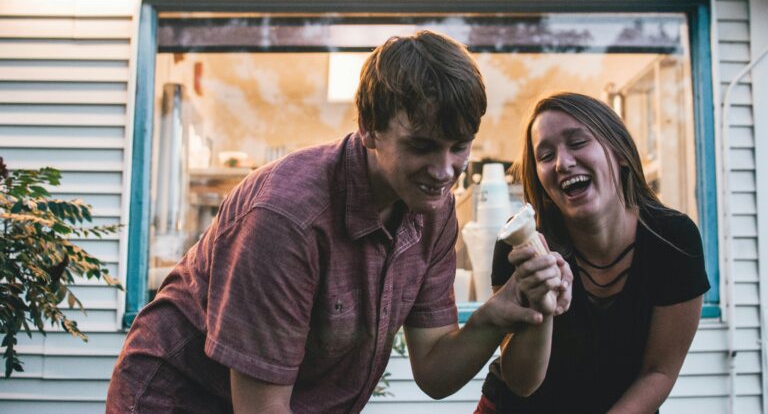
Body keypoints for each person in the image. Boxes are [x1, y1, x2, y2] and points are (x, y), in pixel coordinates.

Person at [106, 30, 571, 414]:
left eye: (459, 146)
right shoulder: (286, 218)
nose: (445, 170)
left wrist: (498, 313)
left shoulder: (433, 211)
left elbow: (433, 369)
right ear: (369, 127)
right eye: (422, 146)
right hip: (175, 402)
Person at [476, 92, 710, 414]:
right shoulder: (522, 248)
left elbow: (658, 372)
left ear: (620, 153)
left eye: (577, 142)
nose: (562, 162)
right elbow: (520, 381)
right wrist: (541, 305)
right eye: (545, 155)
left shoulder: (673, 240)